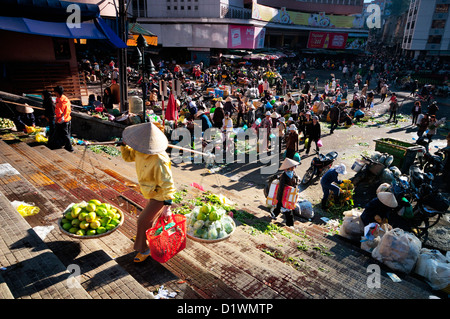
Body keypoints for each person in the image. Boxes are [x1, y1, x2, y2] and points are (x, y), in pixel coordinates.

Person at [120, 122, 176, 262]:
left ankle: (144, 249)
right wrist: (123, 145)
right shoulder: (140, 150)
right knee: (148, 220)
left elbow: (168, 183)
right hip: (149, 190)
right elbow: (128, 157)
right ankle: (145, 235)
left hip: (160, 195)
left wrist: (167, 206)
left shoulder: (159, 160)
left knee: (143, 220)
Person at [270, 158, 300, 227]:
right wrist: (279, 199)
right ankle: (290, 225)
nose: (294, 168)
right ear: (288, 168)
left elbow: (296, 180)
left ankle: (273, 214)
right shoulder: (283, 176)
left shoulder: (293, 173)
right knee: (288, 211)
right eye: (292, 167)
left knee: (279, 207)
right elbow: (280, 189)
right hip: (284, 196)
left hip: (289, 195)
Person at [49, 86, 73, 152]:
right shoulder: (64, 98)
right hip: (68, 118)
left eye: (55, 92)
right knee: (67, 134)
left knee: (65, 134)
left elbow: (60, 113)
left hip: (63, 120)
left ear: (57, 92)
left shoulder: (61, 102)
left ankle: (70, 148)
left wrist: (56, 120)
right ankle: (65, 145)